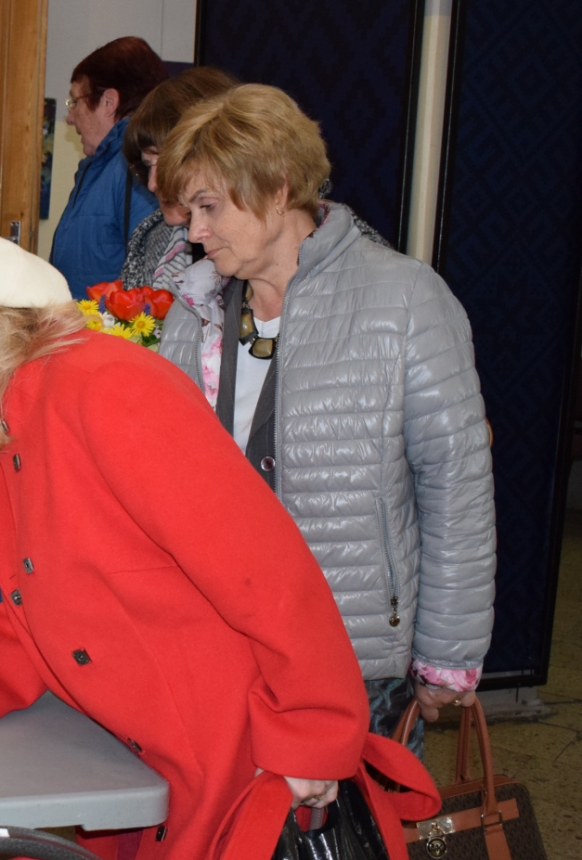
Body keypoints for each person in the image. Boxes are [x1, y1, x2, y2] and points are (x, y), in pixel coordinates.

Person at [0, 229, 371, 860]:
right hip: (138, 763)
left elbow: (269, 575)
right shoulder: (12, 433)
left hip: (233, 764)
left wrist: (313, 735)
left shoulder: (107, 388)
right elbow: (38, 609)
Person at [154, 84, 496, 749]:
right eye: (186, 210)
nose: (193, 232)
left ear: (278, 188)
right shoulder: (191, 310)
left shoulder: (403, 300)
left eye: (208, 207)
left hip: (355, 660)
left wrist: (446, 655)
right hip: (216, 646)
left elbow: (457, 484)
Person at [50, 37, 168, 296]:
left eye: (75, 102)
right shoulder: (103, 168)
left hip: (116, 335)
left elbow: (154, 283)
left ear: (109, 102)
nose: (70, 118)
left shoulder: (137, 167)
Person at [118, 66, 240, 294]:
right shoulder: (148, 240)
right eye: (147, 165)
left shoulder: (261, 245)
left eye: (166, 162)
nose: (154, 183)